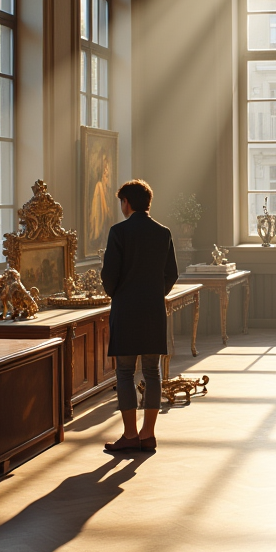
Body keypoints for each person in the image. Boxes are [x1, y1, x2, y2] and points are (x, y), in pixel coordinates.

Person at [100, 179, 179, 453]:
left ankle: (130, 435)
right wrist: (156, 293)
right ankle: (148, 434)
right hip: (153, 311)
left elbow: (109, 275)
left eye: (121, 202)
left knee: (124, 372)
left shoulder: (118, 232)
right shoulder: (163, 232)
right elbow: (172, 274)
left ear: (127, 203)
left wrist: (117, 294)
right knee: (152, 372)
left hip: (125, 311)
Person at [89, 156, 115, 251]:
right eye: (105, 175)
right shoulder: (99, 186)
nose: (107, 179)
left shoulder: (108, 190)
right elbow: (99, 210)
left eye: (108, 176)